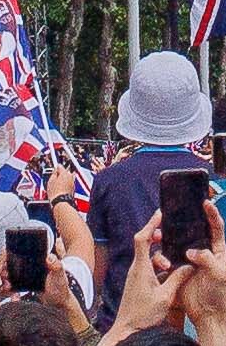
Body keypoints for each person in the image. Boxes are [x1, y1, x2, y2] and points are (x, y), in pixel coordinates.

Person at [84, 51, 212, 303]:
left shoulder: (108, 181)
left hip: (125, 323)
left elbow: (97, 273)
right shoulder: (214, 181)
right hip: (196, 322)